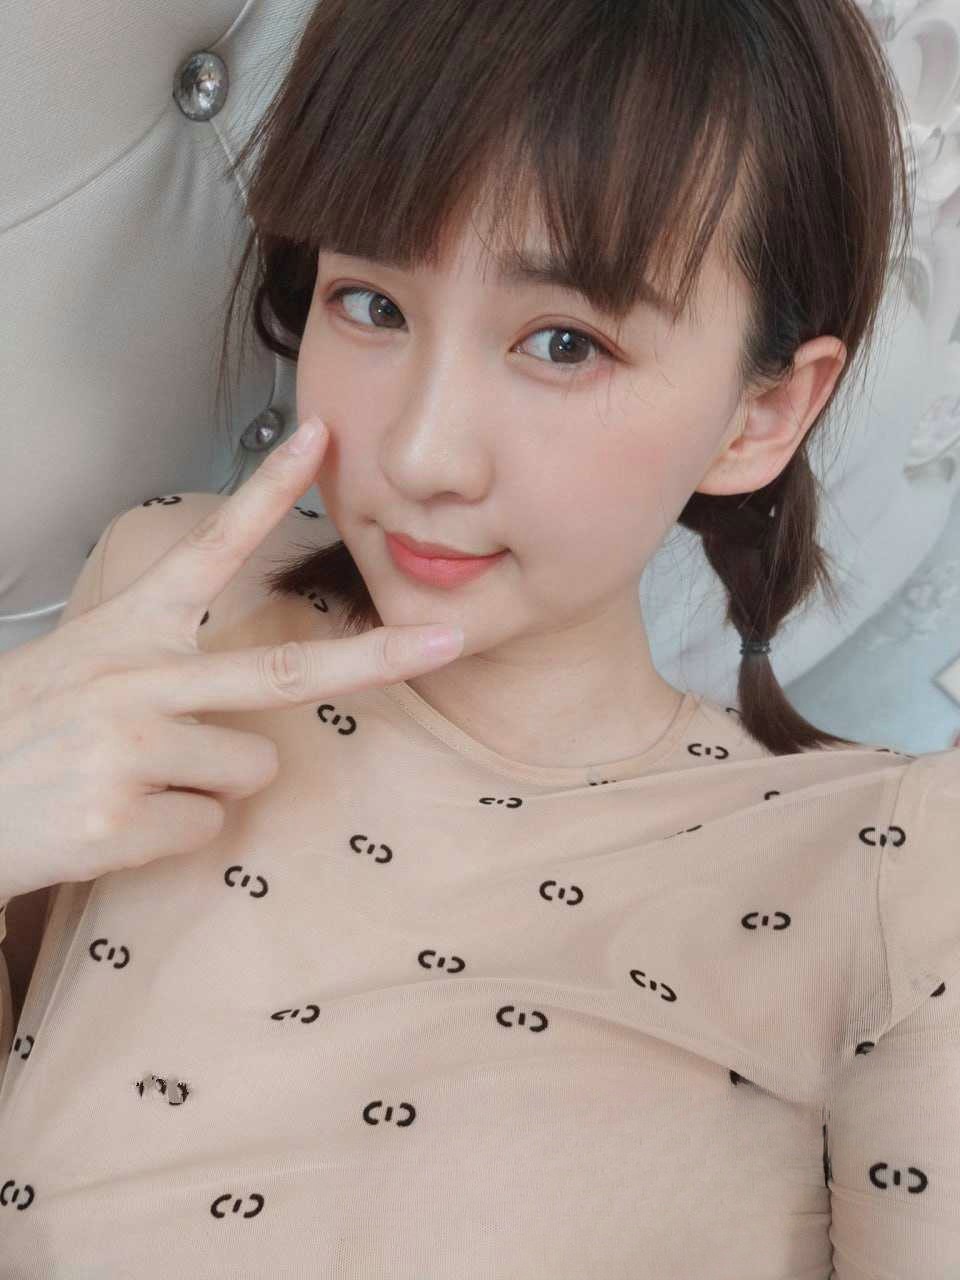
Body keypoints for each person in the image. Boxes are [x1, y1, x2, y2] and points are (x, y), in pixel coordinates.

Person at [1, 0, 959, 1274]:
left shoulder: (895, 874)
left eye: (563, 343)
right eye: (370, 303)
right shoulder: (172, 616)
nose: (420, 453)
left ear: (764, 411)